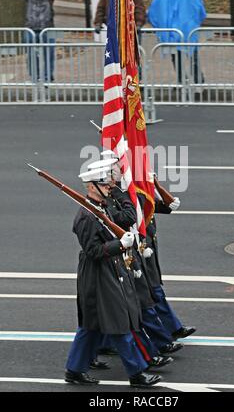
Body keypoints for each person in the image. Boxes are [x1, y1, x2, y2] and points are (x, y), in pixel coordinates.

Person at [65, 165, 161, 387]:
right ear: (91, 187)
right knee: (119, 323)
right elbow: (94, 251)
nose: (109, 186)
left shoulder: (101, 208)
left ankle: (74, 370)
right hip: (98, 275)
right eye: (104, 184)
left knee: (92, 325)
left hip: (110, 270)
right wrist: (120, 244)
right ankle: (136, 373)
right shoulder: (86, 216)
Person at [145, 196, 196, 341]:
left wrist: (156, 184)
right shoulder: (126, 193)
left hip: (147, 250)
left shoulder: (140, 190)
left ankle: (173, 329)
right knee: (151, 294)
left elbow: (168, 207)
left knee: (152, 293)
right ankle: (171, 330)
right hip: (138, 251)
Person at [148, 0, 206, 84]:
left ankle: (198, 80)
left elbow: (199, 10)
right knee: (175, 57)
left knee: (192, 57)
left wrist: (193, 25)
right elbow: (153, 10)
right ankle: (181, 81)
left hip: (187, 32)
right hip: (172, 34)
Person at [12, 0, 61, 83]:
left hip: (47, 27)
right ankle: (35, 76)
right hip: (31, 28)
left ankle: (47, 76)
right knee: (31, 54)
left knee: (48, 54)